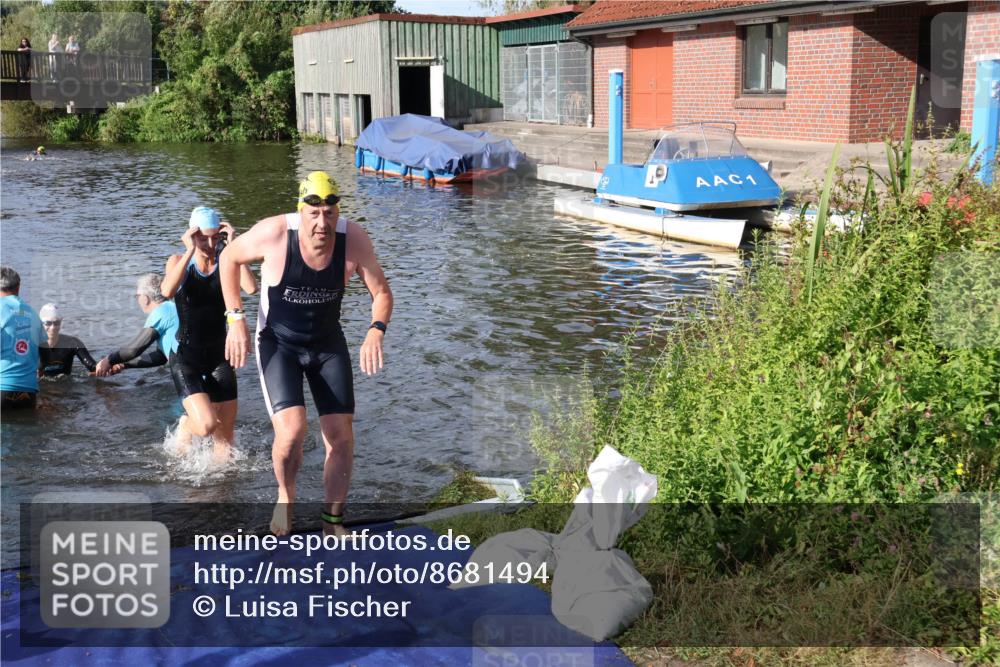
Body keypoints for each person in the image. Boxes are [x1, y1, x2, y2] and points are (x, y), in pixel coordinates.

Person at [220, 171, 393, 536]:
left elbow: (381, 293)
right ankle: (286, 496)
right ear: (301, 212)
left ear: (337, 213)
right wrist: (235, 318)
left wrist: (375, 331)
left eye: (330, 214)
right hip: (278, 343)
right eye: (314, 214)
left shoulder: (354, 239)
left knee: (341, 435)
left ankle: (333, 520)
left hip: (327, 343)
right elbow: (229, 259)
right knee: (293, 430)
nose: (322, 223)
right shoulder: (275, 234)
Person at [160, 207, 257, 463]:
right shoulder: (178, 261)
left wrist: (234, 246)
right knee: (205, 426)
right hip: (186, 357)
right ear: (193, 234)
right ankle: (185, 425)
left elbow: (251, 287)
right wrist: (191, 249)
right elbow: (167, 290)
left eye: (216, 238)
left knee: (225, 445)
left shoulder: (226, 262)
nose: (211, 244)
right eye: (204, 237)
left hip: (219, 355)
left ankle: (220, 498)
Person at [95, 273, 178, 378]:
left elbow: (132, 350)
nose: (137, 300)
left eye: (137, 296)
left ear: (145, 298)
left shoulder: (160, 313)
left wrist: (109, 360)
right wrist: (123, 364)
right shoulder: (172, 308)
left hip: (191, 371)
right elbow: (161, 357)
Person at [1, 266, 44, 410]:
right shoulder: (32, 313)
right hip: (29, 393)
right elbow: (45, 350)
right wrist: (41, 369)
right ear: (19, 286)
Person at [37, 303, 97, 377]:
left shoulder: (72, 343)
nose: (53, 328)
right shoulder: (33, 345)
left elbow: (93, 367)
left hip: (65, 385)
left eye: (56, 323)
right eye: (48, 323)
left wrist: (109, 366)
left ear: (61, 322)